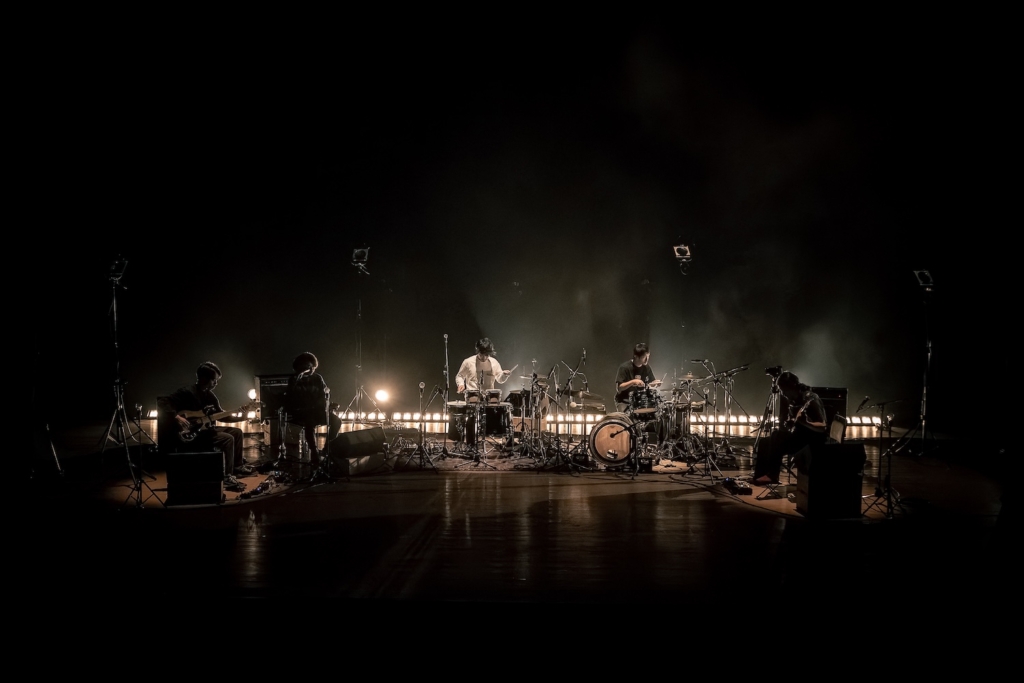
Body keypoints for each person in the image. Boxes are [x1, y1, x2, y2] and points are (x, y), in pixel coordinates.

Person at [158, 361, 249, 492]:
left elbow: (220, 415)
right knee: (227, 438)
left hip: (206, 430)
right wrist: (176, 417)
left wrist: (241, 417)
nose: (216, 383)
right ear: (204, 378)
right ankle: (226, 477)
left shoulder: (210, 395)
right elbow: (163, 402)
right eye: (214, 380)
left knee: (237, 432)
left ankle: (237, 467)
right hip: (193, 434)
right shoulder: (187, 392)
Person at [752, 371, 827, 484]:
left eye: (784, 390)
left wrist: (805, 422)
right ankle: (760, 475)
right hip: (800, 436)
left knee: (777, 436)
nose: (783, 394)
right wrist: (792, 423)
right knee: (764, 442)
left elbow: (823, 426)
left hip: (810, 440)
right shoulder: (794, 399)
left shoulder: (810, 399)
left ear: (791, 387)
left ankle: (773, 475)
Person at [284, 351, 341, 470]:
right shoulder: (294, 379)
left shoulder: (317, 378)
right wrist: (297, 380)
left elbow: (324, 393)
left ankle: (326, 449)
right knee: (309, 423)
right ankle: (314, 452)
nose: (311, 369)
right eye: (308, 367)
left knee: (336, 421)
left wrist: (328, 404)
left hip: (317, 411)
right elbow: (290, 397)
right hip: (301, 412)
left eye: (313, 367)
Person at [454, 338, 512, 447]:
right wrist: (461, 384)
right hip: (473, 396)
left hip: (489, 398)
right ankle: (471, 444)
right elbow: (460, 376)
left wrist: (504, 375)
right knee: (471, 418)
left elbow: (499, 379)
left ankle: (495, 437)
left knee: (493, 416)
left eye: (487, 355)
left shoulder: (494, 362)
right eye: (482, 355)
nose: (484, 357)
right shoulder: (468, 362)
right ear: (478, 351)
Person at [613, 342, 668, 445]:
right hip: (624, 401)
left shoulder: (646, 368)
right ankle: (625, 445)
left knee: (659, 417)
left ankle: (657, 444)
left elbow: (649, 383)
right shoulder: (625, 367)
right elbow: (619, 388)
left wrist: (655, 383)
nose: (647, 359)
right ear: (636, 356)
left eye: (648, 356)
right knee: (628, 422)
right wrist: (633, 381)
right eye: (644, 357)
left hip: (639, 402)